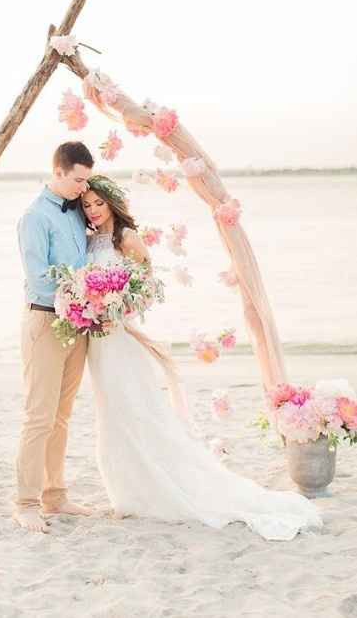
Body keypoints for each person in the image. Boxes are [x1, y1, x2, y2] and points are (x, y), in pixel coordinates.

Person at [82, 174, 323, 541]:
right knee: (111, 413)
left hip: (121, 338)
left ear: (112, 203)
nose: (93, 211)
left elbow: (147, 290)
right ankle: (128, 491)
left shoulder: (127, 239)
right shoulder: (89, 239)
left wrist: (118, 306)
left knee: (136, 409)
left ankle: (158, 487)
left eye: (99, 203)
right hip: (98, 342)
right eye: (87, 205)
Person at [14, 141, 94, 533]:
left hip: (79, 325)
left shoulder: (78, 212)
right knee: (38, 417)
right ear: (59, 171)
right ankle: (25, 502)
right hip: (45, 322)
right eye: (78, 179)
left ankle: (55, 495)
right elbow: (38, 278)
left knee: (62, 417)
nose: (83, 187)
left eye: (86, 180)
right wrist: (84, 290)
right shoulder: (34, 217)